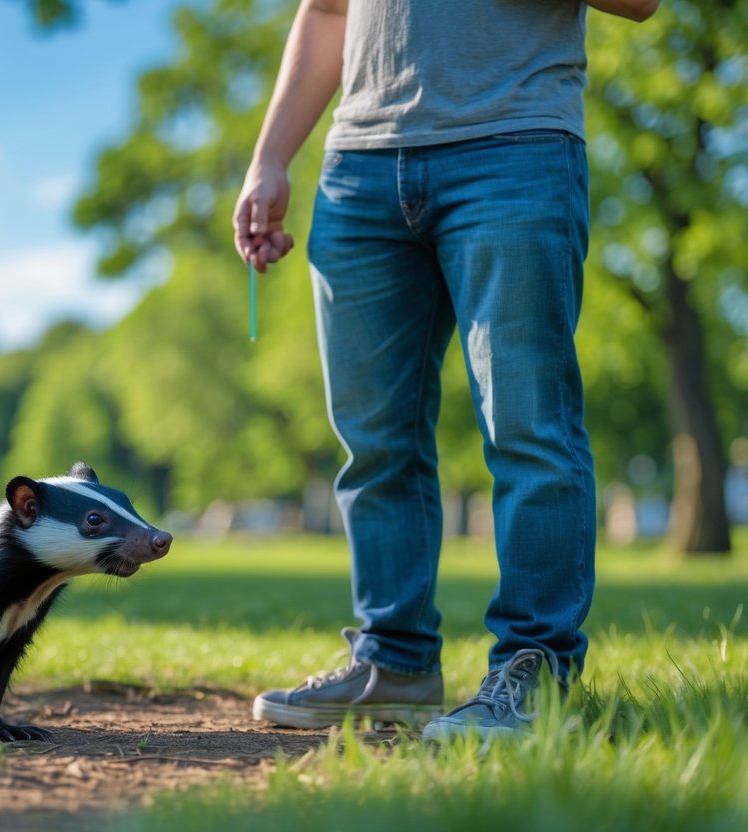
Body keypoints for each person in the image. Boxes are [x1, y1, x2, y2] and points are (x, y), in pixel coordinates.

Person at [234, 0, 660, 741]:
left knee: (528, 429)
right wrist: (269, 158)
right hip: (357, 167)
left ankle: (538, 669)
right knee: (374, 444)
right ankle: (393, 663)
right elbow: (327, 12)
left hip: (513, 145)